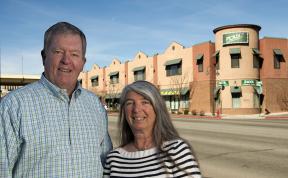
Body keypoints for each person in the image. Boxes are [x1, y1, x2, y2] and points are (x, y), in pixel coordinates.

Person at [0, 22, 112, 177]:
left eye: (74, 54)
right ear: (44, 56)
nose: (66, 60)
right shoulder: (13, 106)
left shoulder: (95, 106)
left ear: (83, 63)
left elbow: (106, 163)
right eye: (58, 52)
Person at [103, 81, 202, 177]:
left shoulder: (176, 151)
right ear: (124, 111)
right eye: (130, 103)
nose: (136, 109)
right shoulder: (114, 159)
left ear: (157, 108)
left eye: (145, 102)